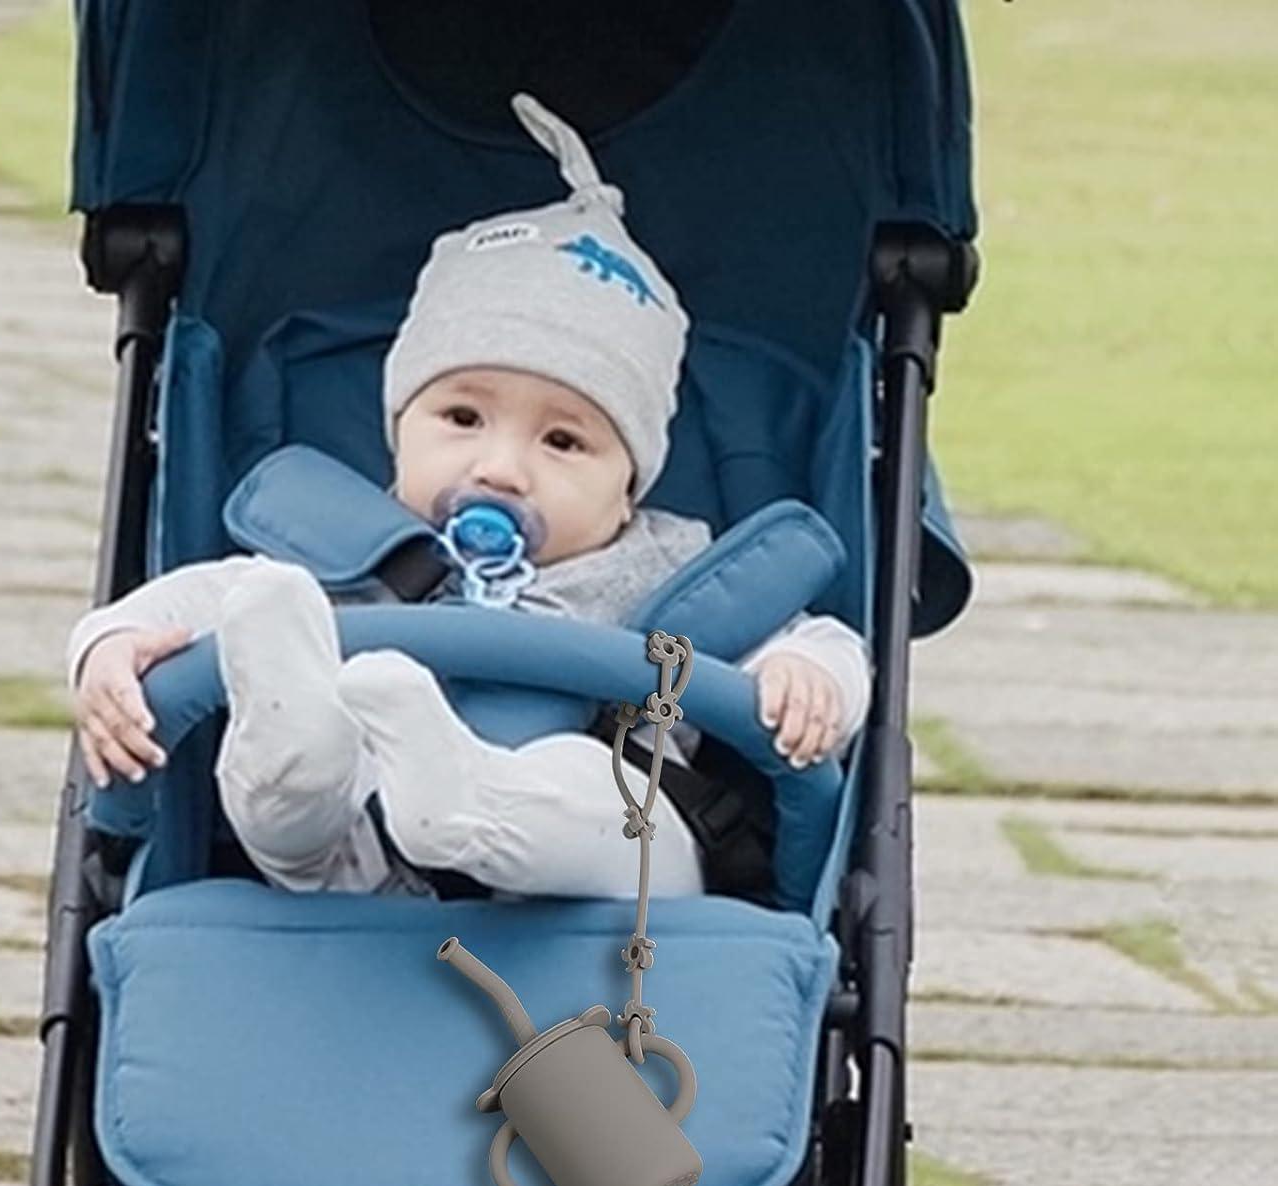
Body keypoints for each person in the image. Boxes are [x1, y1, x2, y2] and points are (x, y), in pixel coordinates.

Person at [67, 95, 869, 902]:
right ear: (399, 433)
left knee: (603, 793)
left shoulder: (667, 572)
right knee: (269, 624)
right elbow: (190, 601)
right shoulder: (342, 553)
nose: (502, 468)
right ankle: (295, 756)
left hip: (608, 871)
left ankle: (475, 802)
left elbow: (817, 639)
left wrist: (810, 674)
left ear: (629, 488)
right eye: (461, 417)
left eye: (563, 442)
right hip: (360, 864)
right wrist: (113, 646)